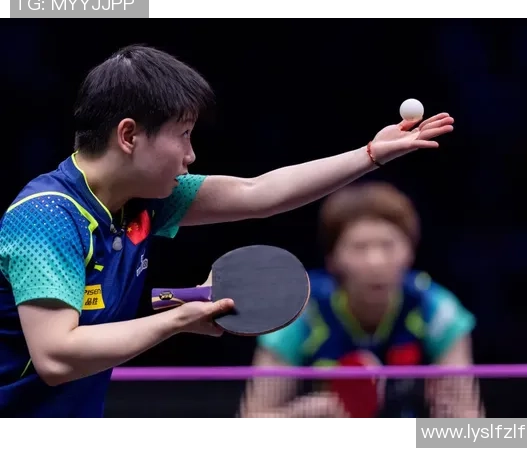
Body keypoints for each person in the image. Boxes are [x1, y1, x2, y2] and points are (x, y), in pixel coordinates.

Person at [0, 45, 454, 418]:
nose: (191, 154)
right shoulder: (46, 217)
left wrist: (370, 154)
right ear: (129, 136)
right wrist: (179, 320)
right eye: (183, 134)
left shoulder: (142, 201)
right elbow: (56, 356)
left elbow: (259, 193)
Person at [241, 182, 482, 418]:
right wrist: (301, 416)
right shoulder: (299, 313)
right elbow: (251, 421)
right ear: (333, 258)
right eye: (359, 247)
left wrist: (450, 418)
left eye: (388, 245)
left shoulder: (437, 311)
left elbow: (472, 426)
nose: (375, 262)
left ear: (410, 252)